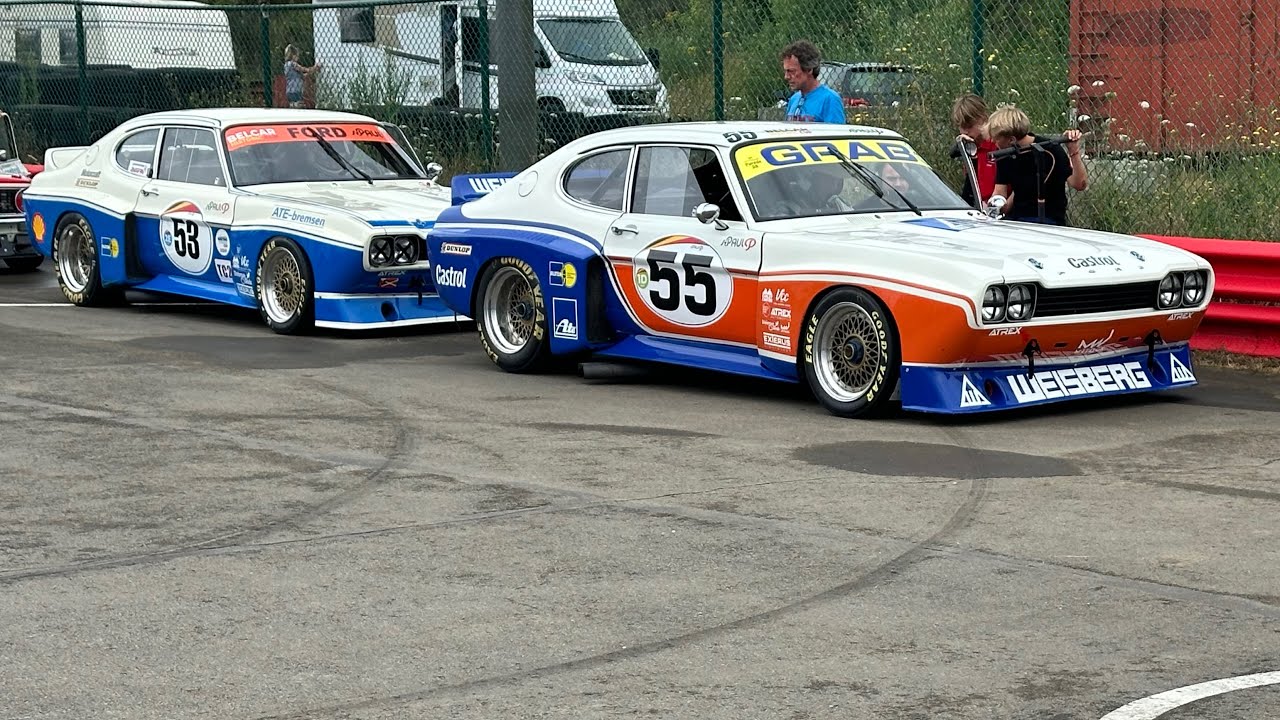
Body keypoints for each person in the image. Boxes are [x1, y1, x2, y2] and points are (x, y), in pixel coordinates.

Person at [988, 106, 1088, 226]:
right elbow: (1000, 191)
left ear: (1012, 139)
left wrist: (1074, 151)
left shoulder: (1050, 150)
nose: (994, 142)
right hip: (1017, 219)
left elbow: (1079, 184)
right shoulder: (1005, 154)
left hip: (1049, 219)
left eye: (996, 139)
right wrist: (994, 205)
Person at [779, 40, 845, 124]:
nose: (786, 77)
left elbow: (836, 135)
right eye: (785, 71)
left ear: (809, 69)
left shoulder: (830, 100)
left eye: (792, 71)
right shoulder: (794, 99)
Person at [949, 94, 997, 207]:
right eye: (961, 127)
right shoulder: (969, 145)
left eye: (969, 126)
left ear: (983, 119)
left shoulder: (996, 143)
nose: (965, 132)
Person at [283, 44, 322, 109]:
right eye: (297, 56)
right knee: (299, 106)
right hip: (296, 89)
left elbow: (302, 76)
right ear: (293, 56)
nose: (298, 58)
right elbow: (304, 69)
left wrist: (312, 71)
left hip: (289, 90)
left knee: (293, 106)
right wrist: (315, 68)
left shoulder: (286, 65)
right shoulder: (293, 64)